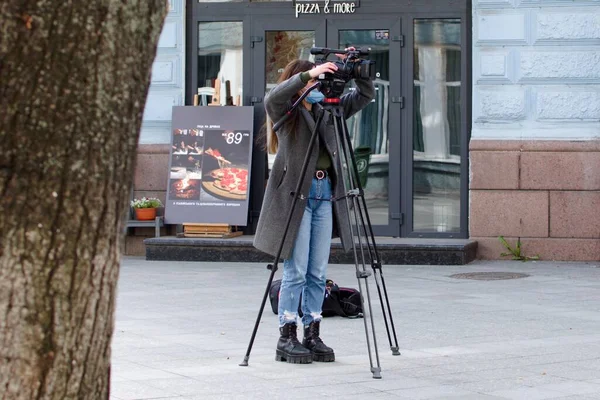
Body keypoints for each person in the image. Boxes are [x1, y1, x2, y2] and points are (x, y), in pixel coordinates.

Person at [253, 49, 375, 364]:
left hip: (324, 195)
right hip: (297, 197)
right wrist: (308, 74)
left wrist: (356, 74)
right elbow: (272, 98)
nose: (321, 86)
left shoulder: (328, 109)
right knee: (296, 271)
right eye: (317, 81)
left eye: (323, 80)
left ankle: (312, 332)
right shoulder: (288, 112)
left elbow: (362, 97)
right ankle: (287, 335)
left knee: (318, 271)